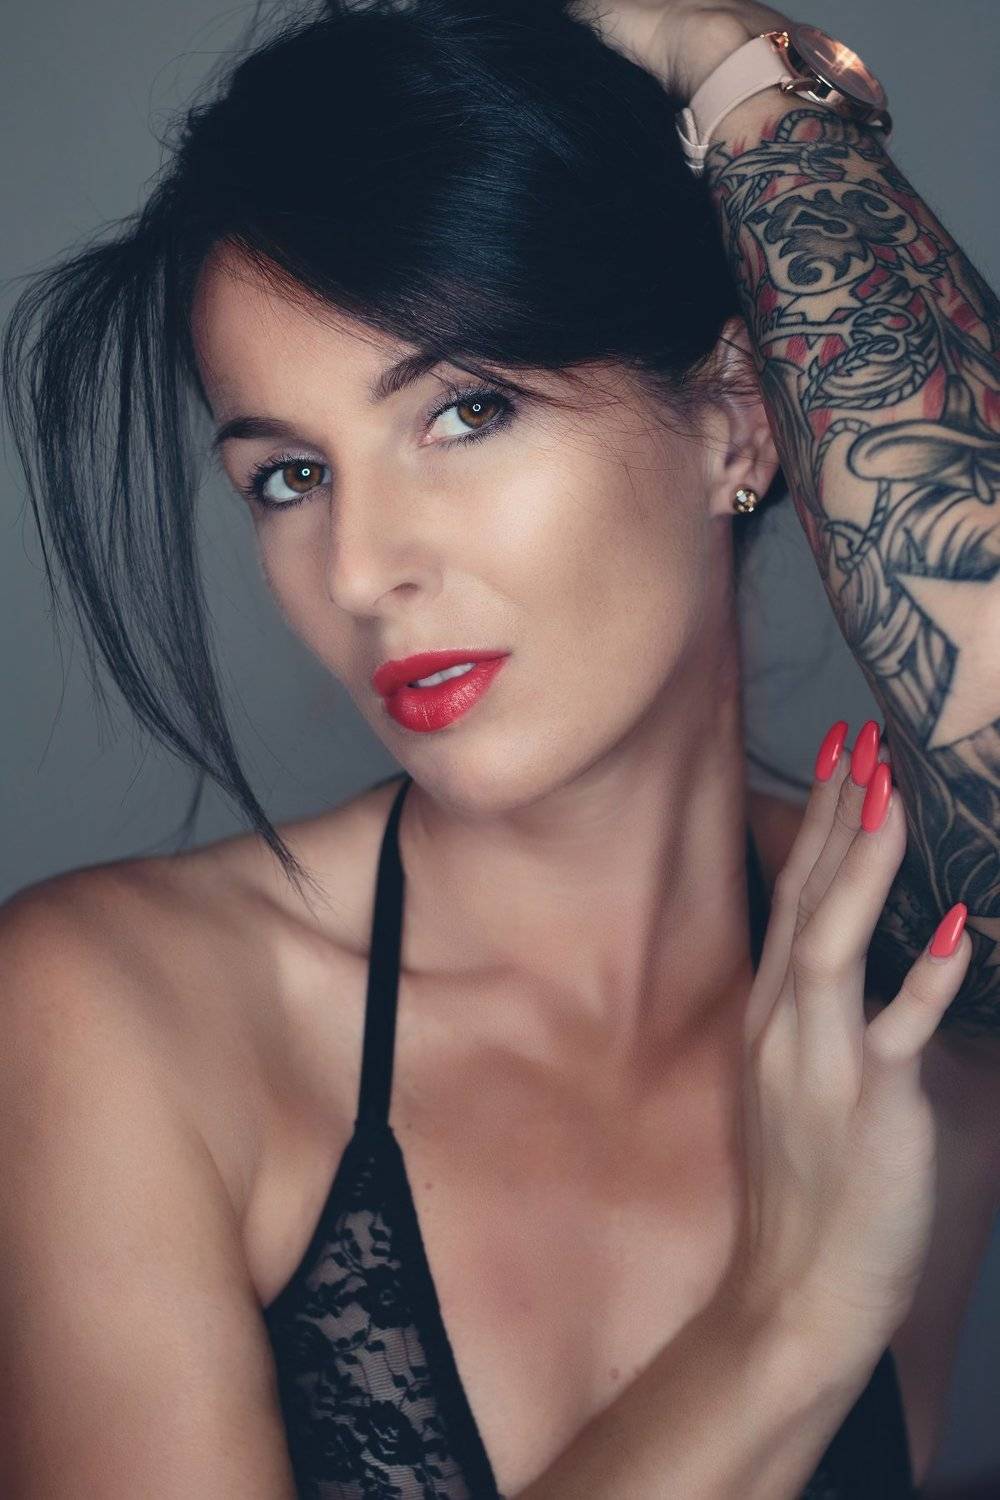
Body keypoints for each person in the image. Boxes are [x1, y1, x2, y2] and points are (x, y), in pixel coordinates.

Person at [2, 1, 998, 1496]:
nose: (359, 570)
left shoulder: (903, 984)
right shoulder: (118, 1018)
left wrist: (733, 65)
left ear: (739, 419)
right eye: (289, 476)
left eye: (467, 410)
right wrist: (787, 1323)